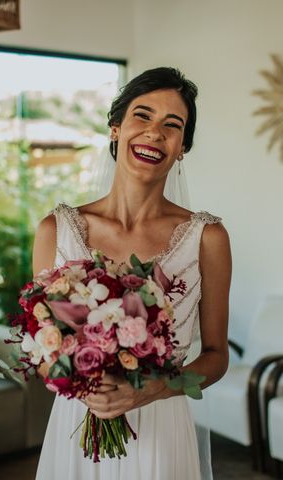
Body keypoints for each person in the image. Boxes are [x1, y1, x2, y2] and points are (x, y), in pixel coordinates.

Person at [32, 67, 232, 480]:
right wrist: (84, 383)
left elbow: (216, 356)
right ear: (115, 129)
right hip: (76, 427)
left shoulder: (207, 237)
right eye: (143, 116)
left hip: (162, 429)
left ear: (182, 149)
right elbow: (43, 349)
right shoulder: (56, 231)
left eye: (172, 125)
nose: (155, 133)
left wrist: (153, 388)